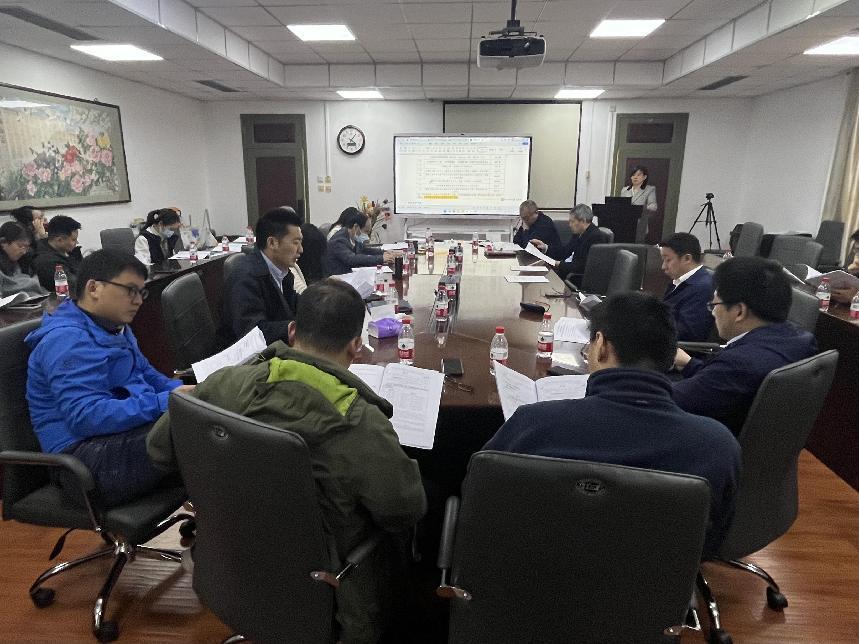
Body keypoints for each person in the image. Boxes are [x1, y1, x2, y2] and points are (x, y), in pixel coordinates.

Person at [148, 278, 426, 643]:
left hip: (230, 564)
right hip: (328, 591)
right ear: (356, 346)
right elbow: (404, 510)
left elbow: (158, 448)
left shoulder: (224, 382)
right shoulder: (359, 421)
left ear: (292, 331)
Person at [483, 292, 740, 556]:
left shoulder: (533, 425)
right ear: (670, 354)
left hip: (534, 573)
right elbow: (713, 539)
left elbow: (481, 498)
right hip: (654, 580)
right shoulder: (717, 446)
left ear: (601, 344)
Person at [25, 249, 193, 507]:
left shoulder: (113, 326)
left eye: (141, 292)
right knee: (202, 434)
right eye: (130, 291)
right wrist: (166, 401)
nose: (138, 301)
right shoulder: (67, 339)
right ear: (94, 288)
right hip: (82, 461)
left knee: (209, 418)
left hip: (116, 437)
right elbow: (86, 417)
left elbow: (147, 374)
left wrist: (188, 394)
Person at [673, 256, 817, 436]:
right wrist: (688, 363)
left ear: (739, 311)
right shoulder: (801, 340)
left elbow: (669, 400)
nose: (713, 313)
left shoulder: (738, 364)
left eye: (715, 304)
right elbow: (723, 385)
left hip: (711, 442)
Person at [218, 206, 303, 346]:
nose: (301, 250)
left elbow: (293, 304)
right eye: (296, 243)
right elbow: (253, 333)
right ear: (272, 243)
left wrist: (320, 306)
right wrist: (295, 330)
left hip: (274, 347)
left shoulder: (281, 270)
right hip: (245, 355)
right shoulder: (245, 278)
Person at [531, 203, 611, 285]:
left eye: (572, 222)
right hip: (565, 272)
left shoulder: (595, 237)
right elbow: (565, 251)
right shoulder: (578, 233)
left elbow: (583, 266)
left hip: (574, 278)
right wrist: (545, 247)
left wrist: (558, 264)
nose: (570, 225)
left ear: (583, 221)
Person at [660, 232, 715, 341]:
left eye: (668, 260)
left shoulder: (702, 288)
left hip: (678, 348)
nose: (663, 267)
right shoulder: (681, 281)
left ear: (687, 259)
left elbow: (688, 334)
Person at [327, 210, 395, 275]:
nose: (367, 236)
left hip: (350, 272)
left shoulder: (350, 236)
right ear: (356, 227)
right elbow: (352, 259)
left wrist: (384, 252)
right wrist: (381, 258)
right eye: (366, 231)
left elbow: (364, 249)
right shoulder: (339, 240)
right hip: (339, 277)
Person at [32, 215, 83, 294]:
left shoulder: (67, 251)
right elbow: (75, 285)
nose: (77, 242)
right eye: (73, 240)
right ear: (59, 240)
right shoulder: (47, 262)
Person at [0, 221, 48, 299]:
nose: (23, 252)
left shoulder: (23, 260)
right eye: (20, 246)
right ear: (3, 242)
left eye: (26, 247)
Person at [619, 165, 658, 237]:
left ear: (644, 177)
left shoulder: (650, 189)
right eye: (633, 175)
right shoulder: (625, 190)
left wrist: (641, 208)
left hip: (640, 225)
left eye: (638, 175)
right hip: (625, 224)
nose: (635, 177)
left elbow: (653, 206)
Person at [9, 205, 47, 272]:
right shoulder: (25, 249)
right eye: (41, 218)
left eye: (43, 215)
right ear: (30, 225)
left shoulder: (47, 231)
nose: (45, 219)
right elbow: (46, 259)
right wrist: (42, 236)